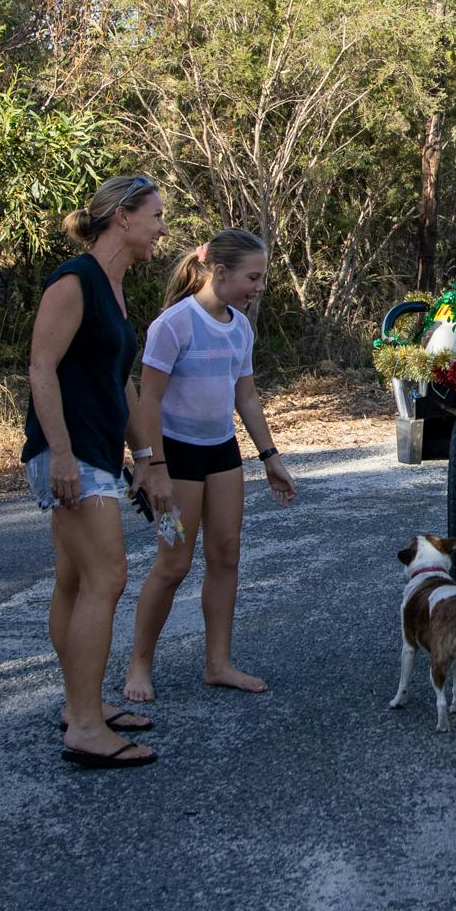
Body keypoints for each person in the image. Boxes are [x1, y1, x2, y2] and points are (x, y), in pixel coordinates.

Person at [24, 173, 166, 768]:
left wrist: (148, 457)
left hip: (99, 452)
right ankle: (84, 725)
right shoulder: (74, 280)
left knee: (76, 581)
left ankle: (80, 705)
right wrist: (59, 453)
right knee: (106, 578)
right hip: (71, 455)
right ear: (122, 218)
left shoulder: (115, 286)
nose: (162, 227)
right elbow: (40, 368)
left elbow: (121, 382)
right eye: (155, 215)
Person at [123, 228, 294, 703]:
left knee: (226, 556)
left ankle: (218, 663)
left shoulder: (241, 327)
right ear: (220, 272)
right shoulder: (173, 325)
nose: (259, 287)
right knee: (174, 562)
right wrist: (152, 466)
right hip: (174, 458)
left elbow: (246, 396)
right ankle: (139, 664)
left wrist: (270, 457)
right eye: (252, 277)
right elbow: (148, 401)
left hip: (221, 454)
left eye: (261, 278)